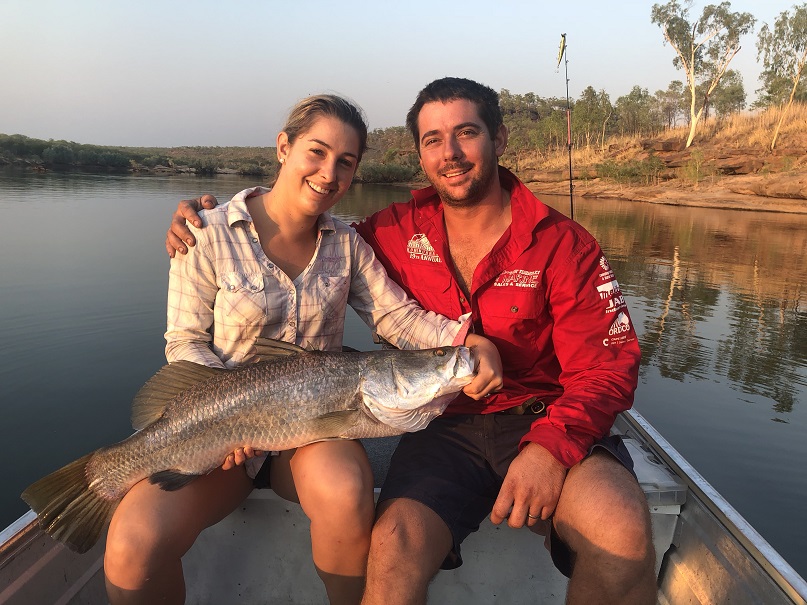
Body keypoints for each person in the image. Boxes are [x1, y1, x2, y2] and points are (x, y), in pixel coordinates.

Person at [166, 78, 656, 605]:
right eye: (432, 139)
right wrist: (207, 222)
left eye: (466, 133)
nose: (451, 153)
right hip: (444, 426)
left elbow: (609, 369)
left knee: (621, 531)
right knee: (393, 547)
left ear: (499, 139)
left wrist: (549, 451)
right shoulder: (389, 232)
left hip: (547, 417)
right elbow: (305, 223)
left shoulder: (566, 244)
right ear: (419, 153)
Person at [106, 93, 503, 605]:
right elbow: (184, 343)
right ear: (283, 148)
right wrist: (232, 415)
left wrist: (464, 343)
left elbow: (396, 317)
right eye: (316, 152)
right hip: (222, 436)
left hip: (315, 431)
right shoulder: (203, 234)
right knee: (132, 543)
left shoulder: (348, 245)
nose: (328, 172)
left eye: (346, 162)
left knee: (345, 491)